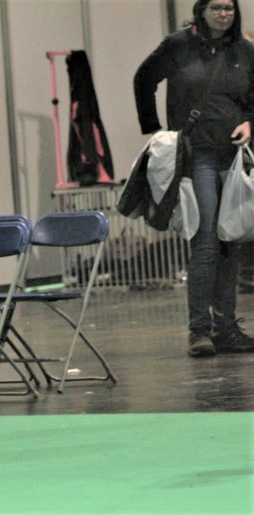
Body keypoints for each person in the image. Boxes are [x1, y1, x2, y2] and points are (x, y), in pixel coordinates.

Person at [133, 0, 254, 357]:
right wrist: (155, 130)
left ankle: (227, 328)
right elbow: (143, 79)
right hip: (196, 153)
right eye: (216, 7)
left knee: (230, 238)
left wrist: (250, 123)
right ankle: (199, 330)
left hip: (232, 157)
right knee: (206, 240)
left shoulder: (244, 50)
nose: (223, 14)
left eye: (229, 8)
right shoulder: (178, 45)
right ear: (201, 10)